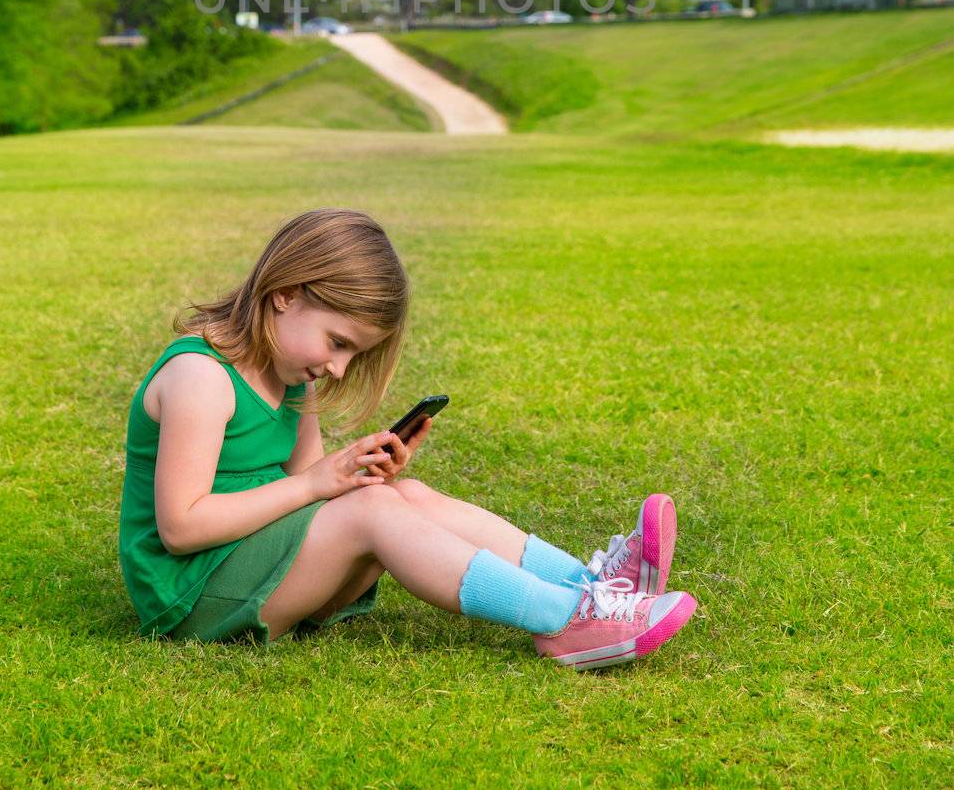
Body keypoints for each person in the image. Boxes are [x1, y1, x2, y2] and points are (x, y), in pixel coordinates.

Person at [118, 207, 697, 670]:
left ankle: (591, 584)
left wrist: (357, 475)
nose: (340, 368)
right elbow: (181, 527)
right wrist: (325, 483)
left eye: (354, 353)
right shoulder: (201, 377)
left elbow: (310, 495)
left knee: (403, 496)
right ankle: (568, 619)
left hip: (258, 569)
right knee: (372, 510)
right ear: (285, 294)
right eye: (338, 342)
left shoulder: (288, 374)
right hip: (190, 599)